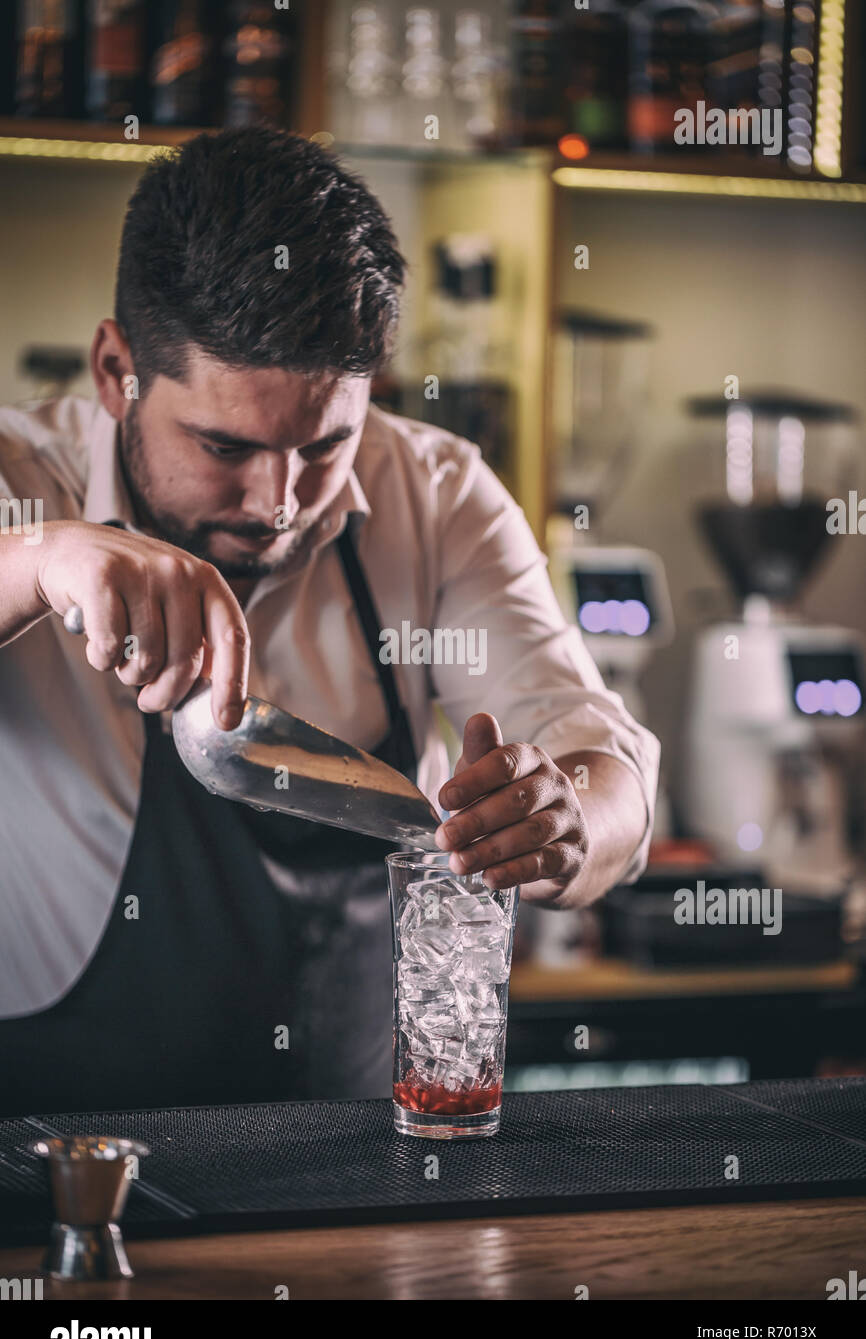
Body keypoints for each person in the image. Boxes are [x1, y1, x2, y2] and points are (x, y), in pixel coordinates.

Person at [0, 128, 659, 1116]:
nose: (276, 499)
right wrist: (39, 559)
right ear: (113, 370)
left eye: (325, 446)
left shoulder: (436, 495)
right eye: (224, 444)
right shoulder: (22, 478)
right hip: (63, 1159)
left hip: (367, 1156)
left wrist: (567, 821)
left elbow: (599, 757)